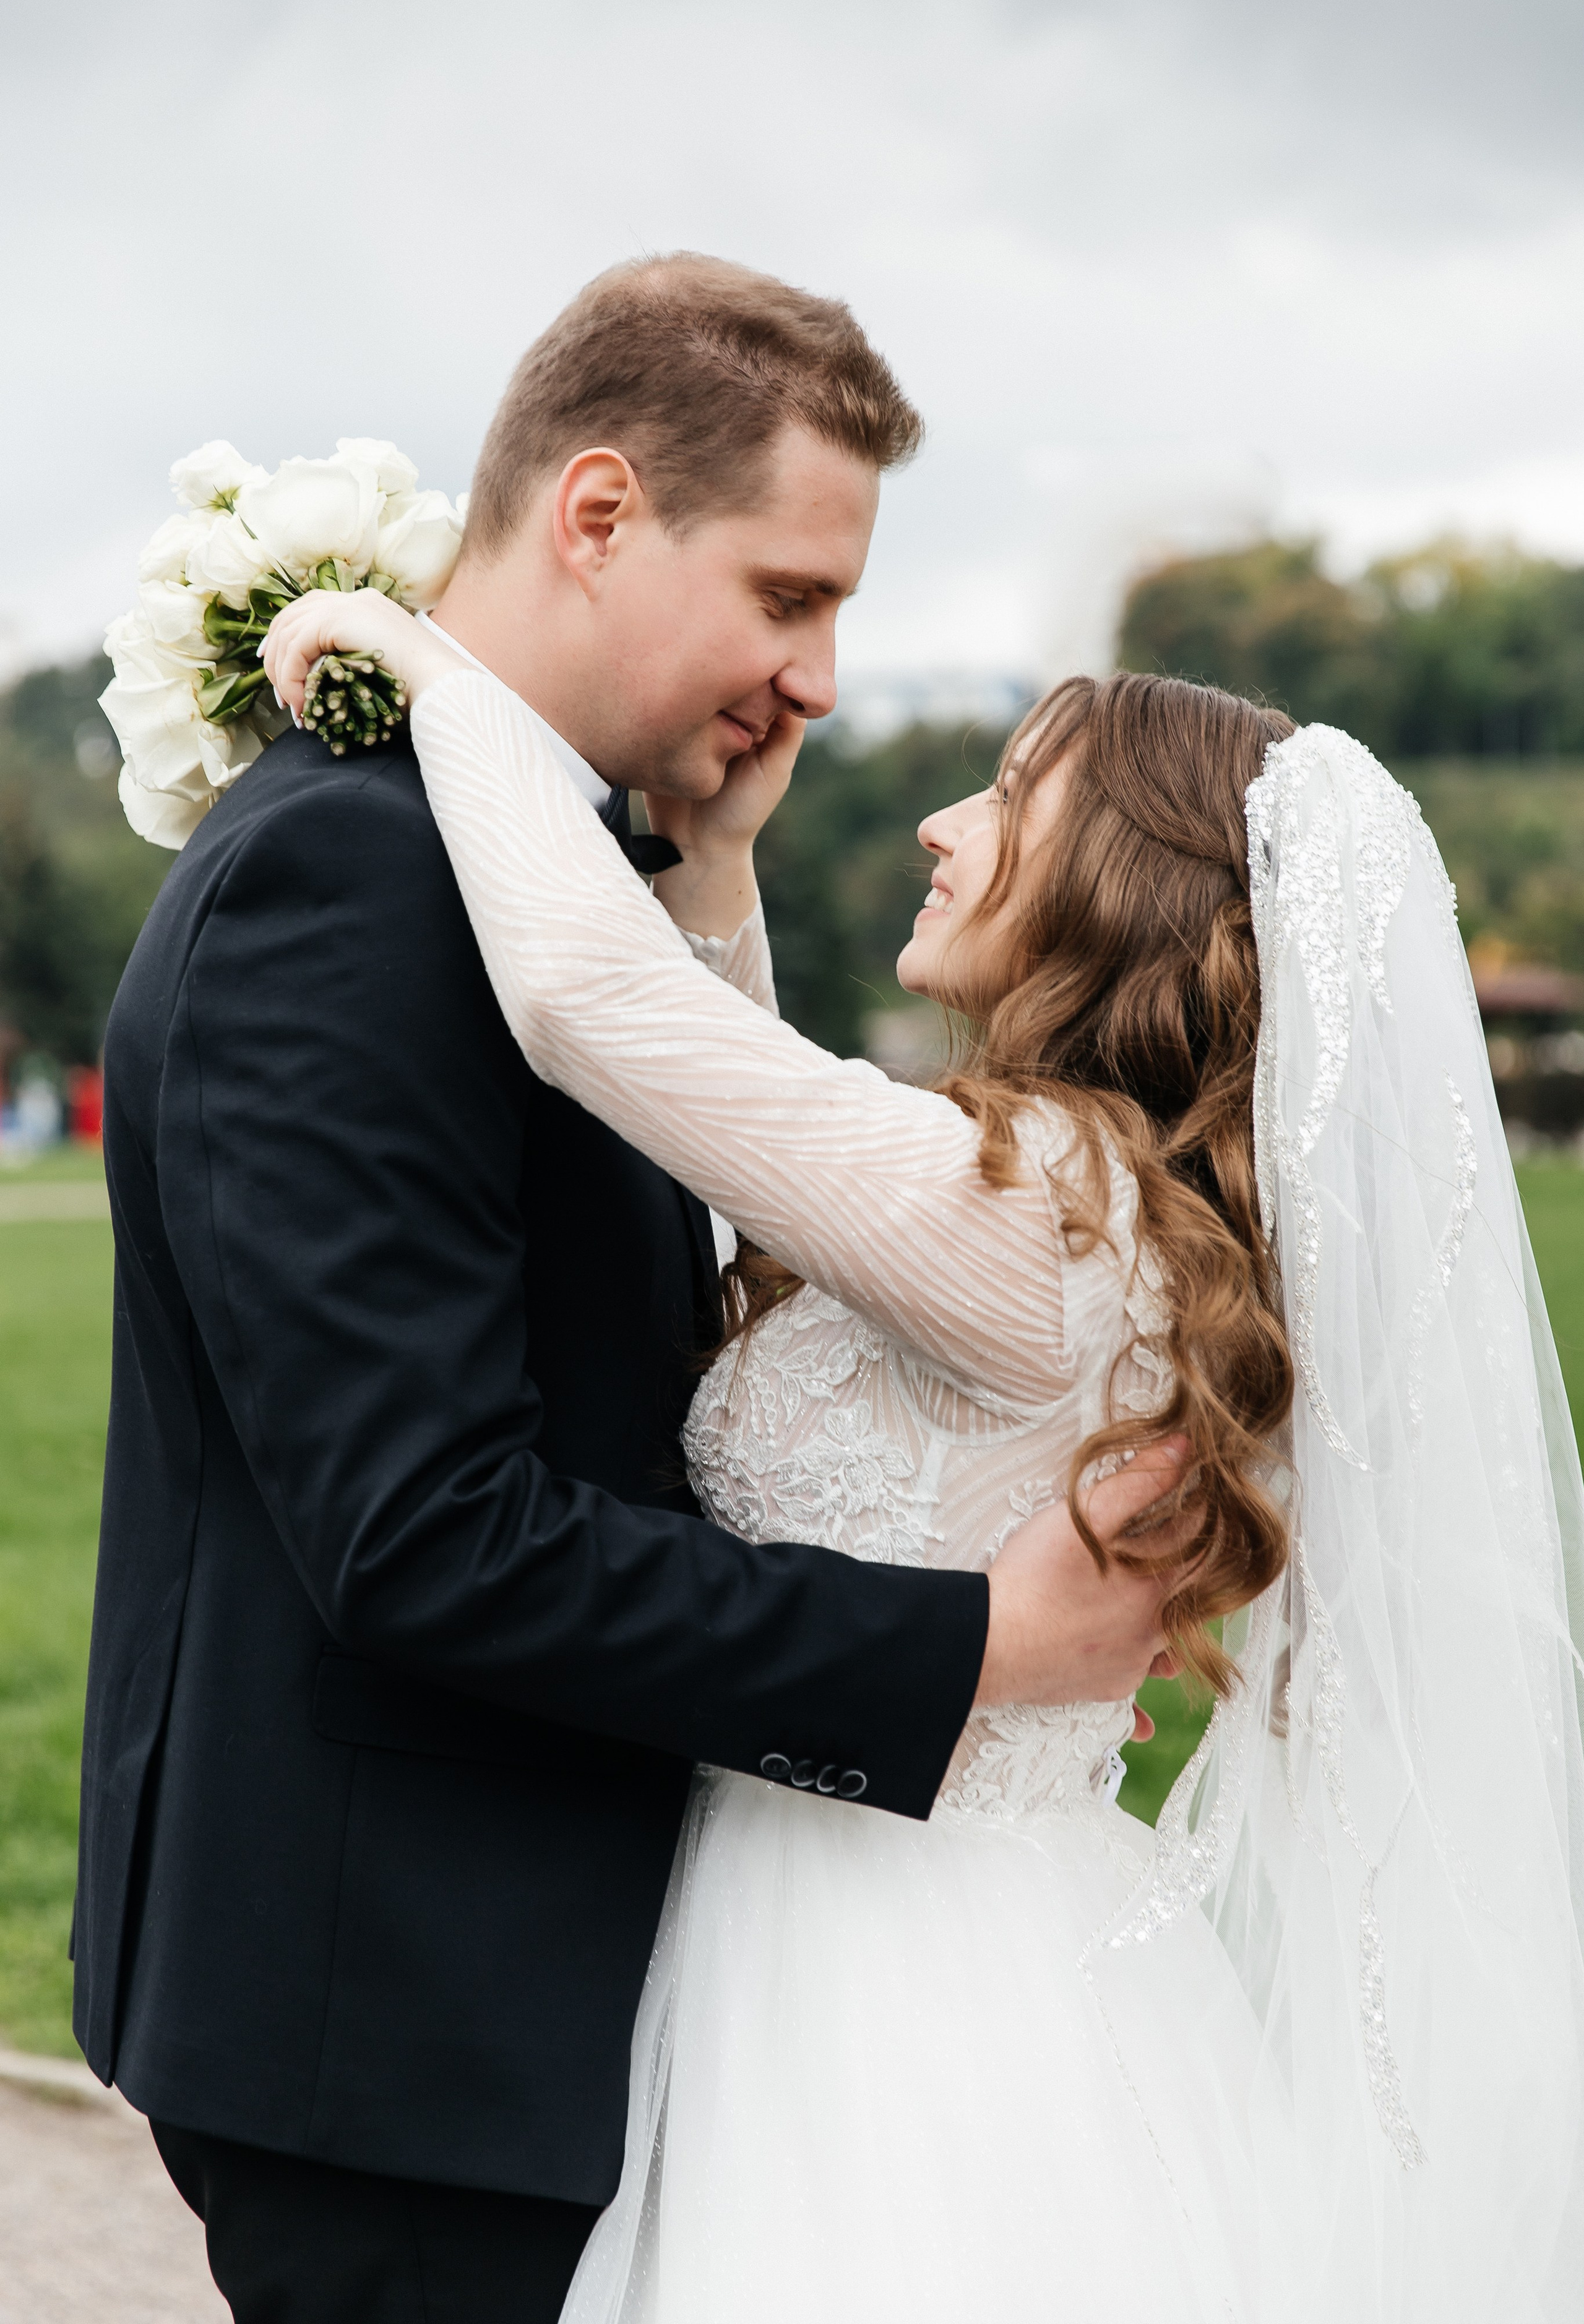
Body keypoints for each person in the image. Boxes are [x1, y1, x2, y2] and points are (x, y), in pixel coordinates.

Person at [267, 567, 1584, 2318]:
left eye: (1008, 797)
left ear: (1120, 882)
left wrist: (444, 678)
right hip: (943, 1919)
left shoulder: (1033, 1211)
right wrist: (720, 869)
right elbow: (754, 1119)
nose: (937, 824)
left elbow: (597, 1013)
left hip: (883, 1990)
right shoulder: (1080, 1195)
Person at [75, 256, 1184, 2324]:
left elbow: (704, 1162)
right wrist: (965, 1648)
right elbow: (421, 1534)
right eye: (791, 594)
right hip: (400, 2024)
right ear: (598, 515)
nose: (831, 679)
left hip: (543, 2012)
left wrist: (695, 867)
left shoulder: (531, 874)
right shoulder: (358, 877)